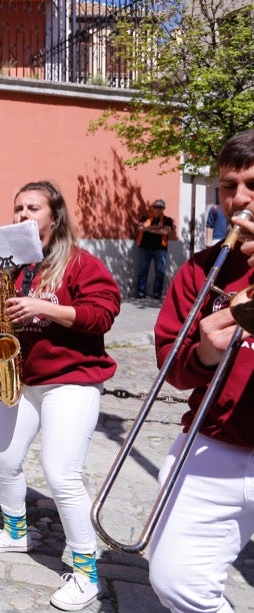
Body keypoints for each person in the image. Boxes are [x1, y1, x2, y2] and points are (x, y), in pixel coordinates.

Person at [0, 180, 120, 612]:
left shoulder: (79, 263)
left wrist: (45, 308)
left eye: (32, 207)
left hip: (72, 380)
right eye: (17, 207)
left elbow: (103, 313)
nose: (21, 215)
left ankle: (87, 572)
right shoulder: (8, 268)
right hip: (22, 376)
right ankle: (17, 533)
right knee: (2, 458)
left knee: (61, 473)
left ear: (54, 216)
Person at [151, 130, 254, 613]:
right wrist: (206, 355)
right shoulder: (201, 270)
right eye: (229, 186)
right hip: (217, 439)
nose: (240, 200)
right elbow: (170, 363)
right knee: (177, 582)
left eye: (253, 184)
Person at [136, 198, 174, 300]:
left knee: (160, 272)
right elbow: (140, 228)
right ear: (152, 208)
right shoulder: (145, 218)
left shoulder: (167, 220)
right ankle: (141, 292)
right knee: (143, 270)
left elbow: (166, 231)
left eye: (160, 207)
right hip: (145, 248)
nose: (157, 209)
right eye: (155, 207)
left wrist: (148, 229)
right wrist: (157, 227)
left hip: (160, 249)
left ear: (163, 209)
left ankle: (157, 293)